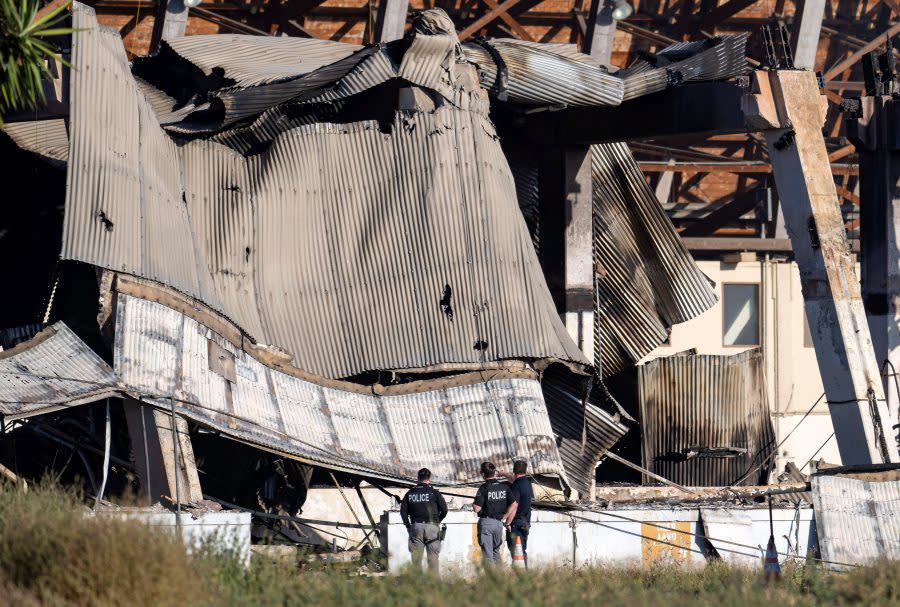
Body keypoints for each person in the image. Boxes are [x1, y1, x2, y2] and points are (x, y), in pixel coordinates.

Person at [400, 467, 448, 574]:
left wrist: (408, 526)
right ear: (429, 478)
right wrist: (437, 521)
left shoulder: (410, 493)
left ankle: (418, 586)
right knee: (433, 559)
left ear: (418, 478)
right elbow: (444, 509)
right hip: (432, 527)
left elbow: (403, 512)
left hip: (416, 527)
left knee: (416, 560)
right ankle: (433, 586)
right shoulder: (434, 492)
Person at [473, 461, 511, 566]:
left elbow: (477, 508)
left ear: (482, 473)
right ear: (494, 472)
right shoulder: (504, 487)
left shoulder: (484, 488)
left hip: (486, 523)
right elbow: (514, 503)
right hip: (499, 524)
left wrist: (473, 504)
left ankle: (490, 581)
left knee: (487, 555)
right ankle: (499, 580)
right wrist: (506, 516)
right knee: (496, 552)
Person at [503, 459, 534, 567]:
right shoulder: (527, 483)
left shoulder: (516, 486)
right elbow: (514, 479)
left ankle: (519, 577)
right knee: (522, 550)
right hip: (525, 523)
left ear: (514, 471)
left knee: (516, 552)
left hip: (516, 524)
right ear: (525, 471)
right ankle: (524, 574)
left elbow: (514, 505)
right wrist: (503, 474)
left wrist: (507, 522)